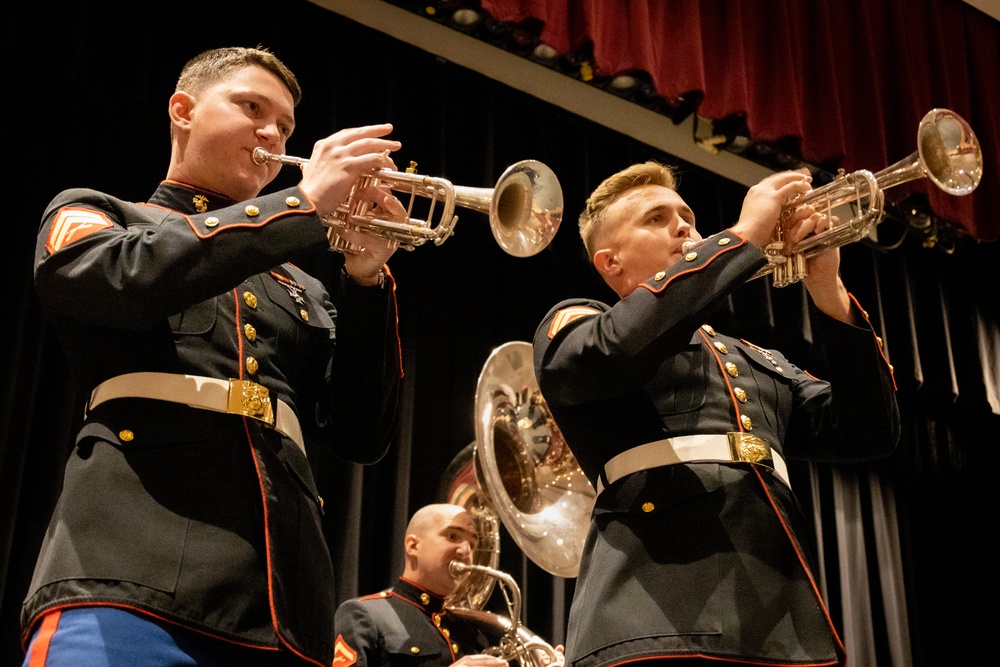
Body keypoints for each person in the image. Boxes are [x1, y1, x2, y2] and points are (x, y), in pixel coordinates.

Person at [21, 46, 407, 667]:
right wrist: (302, 206)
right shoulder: (100, 214)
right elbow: (121, 279)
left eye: (284, 126)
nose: (272, 134)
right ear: (183, 110)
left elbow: (361, 434)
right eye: (252, 108)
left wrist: (365, 280)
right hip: (127, 576)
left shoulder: (300, 285)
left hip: (282, 607)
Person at [531, 161, 901, 667]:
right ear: (609, 262)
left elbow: (869, 430)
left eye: (686, 215)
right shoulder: (579, 324)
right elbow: (619, 346)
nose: (684, 226)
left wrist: (828, 290)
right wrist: (745, 234)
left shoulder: (757, 358)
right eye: (656, 218)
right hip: (652, 620)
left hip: (781, 627)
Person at [333, 503, 565, 667]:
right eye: (452, 536)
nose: (466, 552)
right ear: (413, 546)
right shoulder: (365, 615)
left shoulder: (475, 632)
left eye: (472, 545)